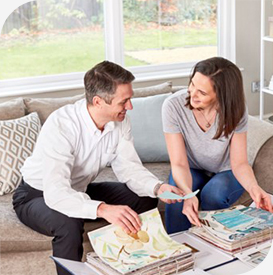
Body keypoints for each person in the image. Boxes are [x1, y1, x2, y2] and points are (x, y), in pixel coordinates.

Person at [12, 61, 183, 275]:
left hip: (79, 190)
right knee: (68, 222)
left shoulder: (120, 121)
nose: (130, 107)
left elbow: (129, 168)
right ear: (98, 101)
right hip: (38, 194)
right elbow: (56, 193)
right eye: (125, 101)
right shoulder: (61, 125)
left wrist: (158, 188)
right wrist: (103, 209)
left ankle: (135, 261)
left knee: (145, 198)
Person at [162, 56, 273, 234]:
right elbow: (179, 163)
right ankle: (176, 249)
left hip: (226, 170)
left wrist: (255, 188)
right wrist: (187, 195)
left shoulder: (235, 110)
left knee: (213, 195)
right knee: (178, 197)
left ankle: (214, 247)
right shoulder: (173, 106)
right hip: (191, 168)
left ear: (221, 95)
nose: (192, 94)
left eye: (202, 93)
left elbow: (239, 163)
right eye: (192, 85)